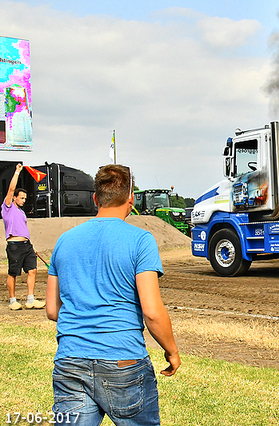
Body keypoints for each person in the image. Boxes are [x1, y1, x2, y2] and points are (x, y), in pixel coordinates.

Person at [46, 164, 181, 426]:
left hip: (70, 361)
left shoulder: (64, 240)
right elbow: (152, 312)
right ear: (130, 198)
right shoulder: (141, 240)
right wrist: (171, 350)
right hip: (123, 362)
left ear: (96, 198)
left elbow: (52, 310)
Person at [2, 163, 45, 310]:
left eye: (25, 198)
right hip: (15, 245)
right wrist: (17, 172)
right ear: (14, 198)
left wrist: (31, 245)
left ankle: (30, 299)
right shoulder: (8, 207)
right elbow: (11, 188)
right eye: (21, 198)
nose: (24, 200)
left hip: (27, 245)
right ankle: (13, 301)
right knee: (13, 273)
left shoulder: (21, 212)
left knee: (32, 270)